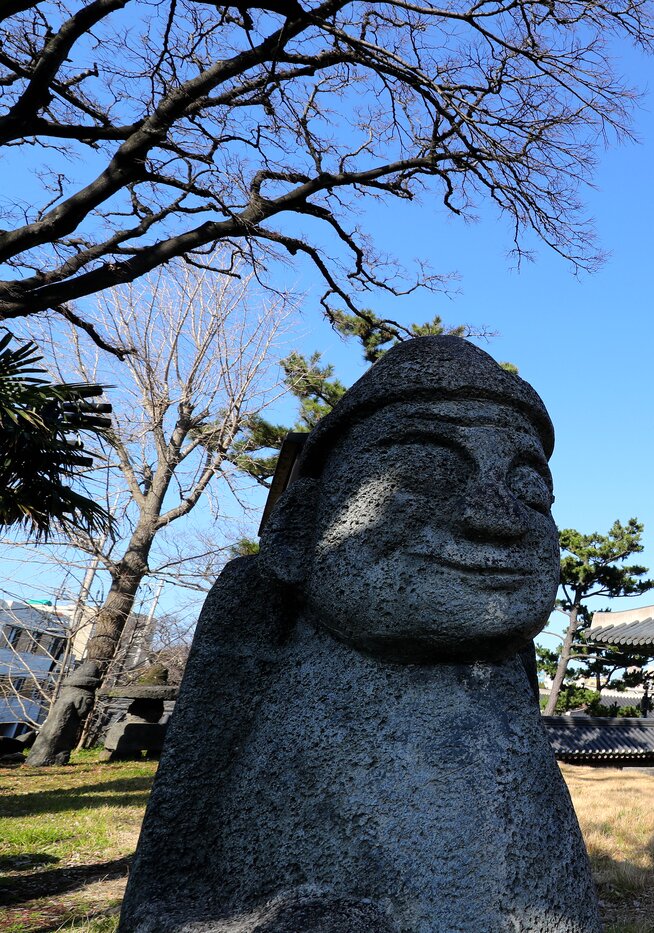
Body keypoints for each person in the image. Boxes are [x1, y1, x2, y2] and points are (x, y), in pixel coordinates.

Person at [120, 337, 601, 933]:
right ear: (302, 523)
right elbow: (166, 884)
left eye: (530, 488)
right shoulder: (260, 610)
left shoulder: (506, 659)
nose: (496, 516)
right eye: (424, 469)